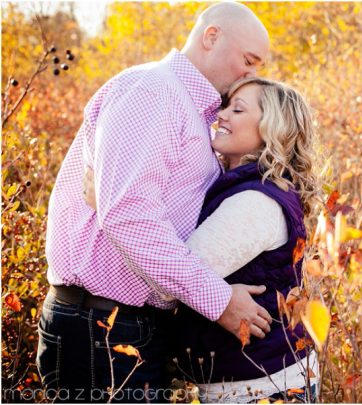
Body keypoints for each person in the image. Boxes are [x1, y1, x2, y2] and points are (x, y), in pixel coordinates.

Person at [39, 3, 272, 402]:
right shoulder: (154, 92)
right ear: (211, 37)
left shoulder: (196, 113)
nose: (252, 75)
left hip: (128, 325)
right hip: (102, 325)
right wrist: (218, 302)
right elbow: (130, 216)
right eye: (248, 61)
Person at [171, 77, 318, 403]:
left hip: (261, 386)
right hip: (253, 379)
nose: (221, 115)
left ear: (270, 129)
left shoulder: (255, 201)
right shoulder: (246, 185)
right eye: (225, 105)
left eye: (237, 109)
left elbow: (171, 275)